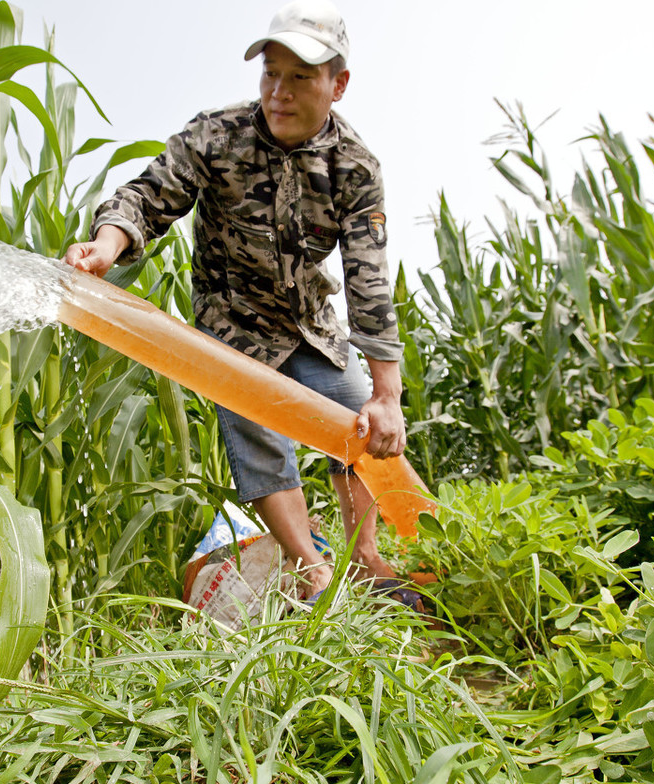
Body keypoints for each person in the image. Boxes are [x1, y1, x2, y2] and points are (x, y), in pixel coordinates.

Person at [63, 0, 408, 600]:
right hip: (234, 327)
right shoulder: (215, 136)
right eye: (271, 73)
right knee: (258, 432)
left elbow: (368, 278)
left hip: (309, 324)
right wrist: (106, 246)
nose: (279, 92)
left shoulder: (354, 167)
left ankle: (364, 557)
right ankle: (309, 567)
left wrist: (387, 394)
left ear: (338, 85)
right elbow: (145, 197)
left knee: (358, 416)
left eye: (300, 77)